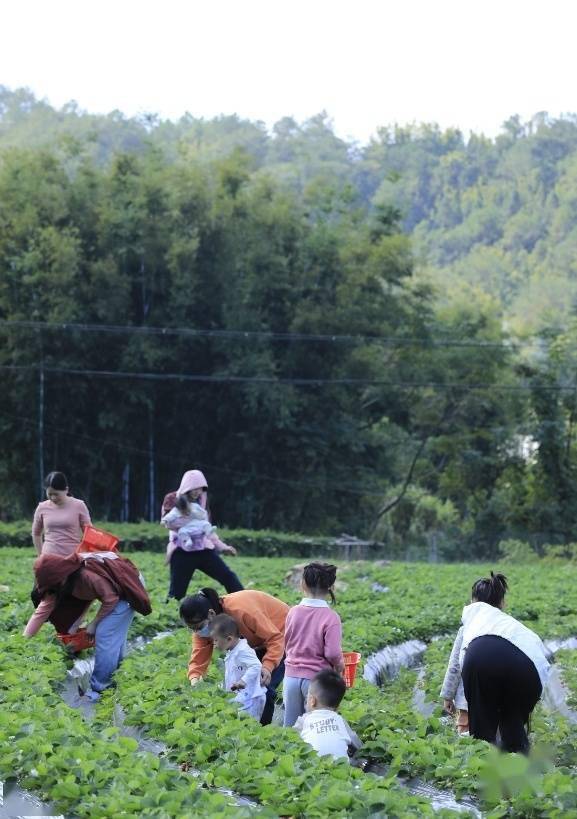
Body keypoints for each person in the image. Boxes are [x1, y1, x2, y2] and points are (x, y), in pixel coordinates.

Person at [444, 571, 549, 754]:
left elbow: (455, 663)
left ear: (473, 601)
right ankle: (520, 768)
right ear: (502, 602)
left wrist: (447, 694)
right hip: (527, 666)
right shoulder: (508, 625)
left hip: (481, 659)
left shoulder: (473, 623)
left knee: (482, 732)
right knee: (513, 725)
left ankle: (482, 768)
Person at [24, 551, 151, 700]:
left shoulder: (86, 576)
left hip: (127, 587)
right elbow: (44, 610)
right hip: (113, 588)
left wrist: (94, 623)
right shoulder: (59, 584)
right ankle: (118, 674)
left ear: (61, 576)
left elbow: (110, 598)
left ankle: (100, 688)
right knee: (114, 635)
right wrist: (24, 641)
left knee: (105, 633)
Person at [180, 587, 289, 725]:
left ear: (211, 614)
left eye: (198, 627)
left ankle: (262, 732)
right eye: (192, 629)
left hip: (284, 633)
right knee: (243, 688)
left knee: (263, 689)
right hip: (257, 642)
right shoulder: (204, 627)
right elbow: (198, 658)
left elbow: (275, 638)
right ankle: (245, 725)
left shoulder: (241, 610)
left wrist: (268, 666)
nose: (197, 632)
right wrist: (195, 681)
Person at [161, 470, 243, 600]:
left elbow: (207, 527)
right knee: (176, 593)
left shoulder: (202, 500)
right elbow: (168, 523)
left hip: (204, 550)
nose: (198, 492)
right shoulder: (172, 498)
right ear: (187, 486)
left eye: (201, 489)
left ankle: (243, 602)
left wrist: (222, 547)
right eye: (195, 488)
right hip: (182, 550)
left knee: (228, 577)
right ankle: (170, 617)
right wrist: (192, 519)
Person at [283, 562, 345, 727]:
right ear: (331, 586)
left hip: (291, 676)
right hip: (317, 680)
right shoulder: (331, 617)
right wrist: (340, 666)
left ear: (303, 583)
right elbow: (332, 653)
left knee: (290, 725)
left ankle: (287, 752)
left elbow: (287, 641)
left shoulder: (293, 611)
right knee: (314, 725)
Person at [294, 670, 361, 761]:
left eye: (307, 698)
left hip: (312, 766)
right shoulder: (339, 719)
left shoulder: (304, 720)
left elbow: (292, 740)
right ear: (338, 707)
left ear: (312, 701)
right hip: (341, 769)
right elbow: (355, 740)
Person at [210, 613, 267, 720]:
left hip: (251, 698)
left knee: (248, 725)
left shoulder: (243, 650)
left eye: (216, 640)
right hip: (242, 696)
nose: (214, 644)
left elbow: (256, 665)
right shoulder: (233, 650)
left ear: (229, 639)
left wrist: (243, 681)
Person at [32, 471, 91, 556]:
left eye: (56, 494)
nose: (53, 497)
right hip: (49, 558)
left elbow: (89, 533)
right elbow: (36, 533)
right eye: (49, 494)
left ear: (66, 490)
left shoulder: (79, 505)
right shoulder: (42, 507)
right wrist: (40, 555)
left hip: (73, 558)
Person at [440, 631, 469, 735]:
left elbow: (455, 666)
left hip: (466, 699)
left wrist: (447, 696)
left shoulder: (466, 628)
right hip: (496, 697)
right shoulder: (500, 625)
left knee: (466, 736)